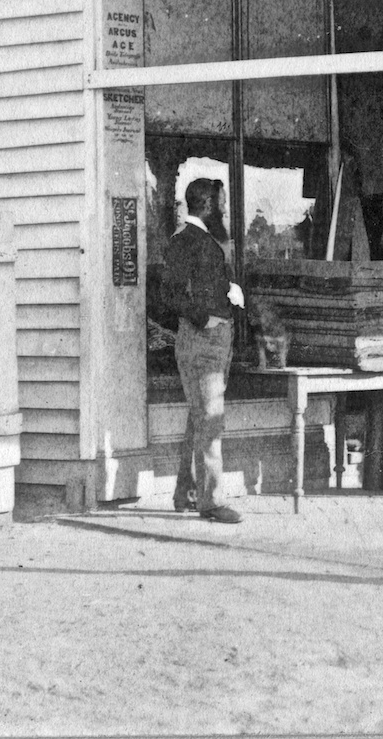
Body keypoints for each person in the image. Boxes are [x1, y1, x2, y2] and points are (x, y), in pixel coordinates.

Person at [160, 177, 244, 524]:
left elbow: (204, 284)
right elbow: (171, 294)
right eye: (221, 202)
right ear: (207, 205)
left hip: (214, 339)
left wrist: (229, 290)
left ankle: (186, 494)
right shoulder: (185, 241)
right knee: (210, 420)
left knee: (200, 419)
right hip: (202, 341)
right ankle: (210, 503)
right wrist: (204, 318)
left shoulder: (203, 240)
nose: (225, 208)